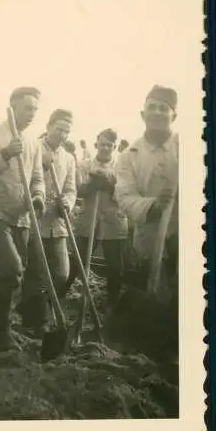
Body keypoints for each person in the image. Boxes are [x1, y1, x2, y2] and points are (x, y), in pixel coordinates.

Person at [0, 87, 45, 351]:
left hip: (22, 217)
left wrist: (38, 197)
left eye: (36, 110)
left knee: (12, 273)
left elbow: (37, 177)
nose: (32, 114)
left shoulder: (33, 142)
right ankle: (0, 333)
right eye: (28, 108)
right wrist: (5, 153)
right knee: (12, 269)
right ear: (12, 106)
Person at [115, 85, 179, 295]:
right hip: (149, 243)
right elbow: (125, 198)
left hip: (190, 241)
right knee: (152, 303)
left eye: (163, 108)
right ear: (143, 114)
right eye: (152, 107)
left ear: (174, 115)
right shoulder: (129, 156)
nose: (157, 113)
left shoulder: (191, 147)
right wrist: (155, 205)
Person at [19, 109, 77, 337]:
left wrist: (68, 203)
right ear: (49, 125)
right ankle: (36, 321)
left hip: (58, 224)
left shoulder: (69, 158)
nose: (62, 134)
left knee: (62, 273)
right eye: (59, 128)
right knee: (35, 273)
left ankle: (35, 310)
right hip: (35, 221)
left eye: (67, 131)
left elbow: (72, 188)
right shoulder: (32, 147)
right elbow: (21, 178)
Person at [66, 128, 128, 307]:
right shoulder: (85, 165)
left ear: (115, 147)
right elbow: (78, 190)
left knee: (115, 267)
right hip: (89, 221)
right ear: (96, 145)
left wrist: (110, 186)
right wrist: (93, 185)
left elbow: (125, 195)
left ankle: (112, 302)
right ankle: (61, 291)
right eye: (103, 144)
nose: (106, 148)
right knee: (77, 260)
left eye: (110, 145)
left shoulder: (121, 167)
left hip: (113, 222)